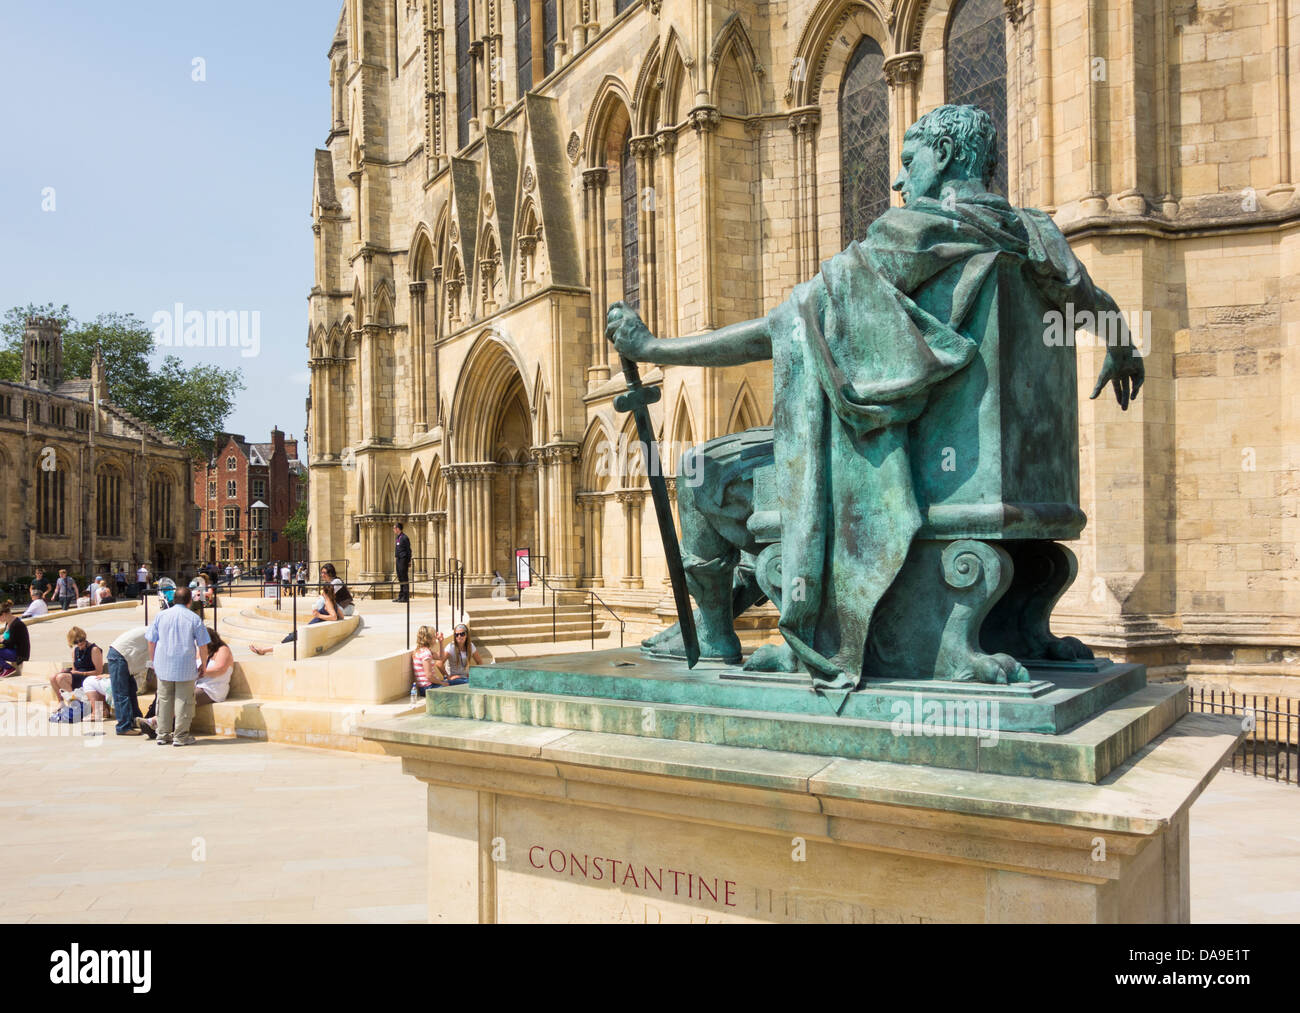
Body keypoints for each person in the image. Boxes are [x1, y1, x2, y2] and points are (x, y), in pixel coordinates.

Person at [608, 104, 1145, 688]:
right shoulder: (1035, 234)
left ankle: (714, 633)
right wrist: (1122, 347)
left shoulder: (913, 231)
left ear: (941, 157)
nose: (898, 180)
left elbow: (784, 326)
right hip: (997, 476)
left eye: (909, 161)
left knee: (698, 471)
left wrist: (657, 347)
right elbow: (1090, 299)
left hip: (896, 455)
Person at [146, 586, 210, 746]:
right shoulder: (194, 618)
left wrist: (153, 661)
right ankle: (180, 736)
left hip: (163, 664)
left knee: (164, 699)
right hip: (185, 666)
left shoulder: (161, 616)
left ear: (174, 600)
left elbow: (151, 640)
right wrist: (203, 664)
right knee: (184, 700)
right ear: (190, 601)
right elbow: (203, 645)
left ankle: (162, 734)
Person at [250, 582, 341, 654]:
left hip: (311, 627)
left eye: (321, 591)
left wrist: (319, 615)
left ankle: (263, 650)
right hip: (312, 627)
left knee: (289, 640)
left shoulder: (328, 602)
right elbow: (341, 616)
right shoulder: (334, 602)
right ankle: (263, 649)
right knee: (290, 638)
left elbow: (334, 617)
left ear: (324, 592)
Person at [100, 625, 150, 736]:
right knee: (121, 693)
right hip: (120, 655)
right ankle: (123, 727)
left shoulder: (155, 629)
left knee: (131, 690)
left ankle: (134, 721)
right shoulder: (156, 631)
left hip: (124, 657)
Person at [50, 627, 103, 706]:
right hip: (78, 675)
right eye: (75, 642)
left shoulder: (94, 649)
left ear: (84, 637)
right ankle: (61, 703)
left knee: (61, 678)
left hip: (88, 676)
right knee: (53, 677)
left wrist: (82, 673)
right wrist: (67, 671)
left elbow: (99, 671)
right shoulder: (75, 651)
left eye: (81, 640)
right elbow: (74, 669)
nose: (79, 643)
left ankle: (75, 705)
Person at [410, 626, 447, 695]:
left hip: (428, 686)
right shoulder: (425, 653)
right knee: (453, 689)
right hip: (428, 687)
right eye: (434, 636)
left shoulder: (421, 651)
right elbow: (429, 676)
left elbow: (441, 657)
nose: (436, 638)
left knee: (457, 682)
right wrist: (442, 683)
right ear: (429, 639)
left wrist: (441, 642)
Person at [0, 602, 31, 678]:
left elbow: (11, 643)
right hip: (12, 650)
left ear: (3, 614)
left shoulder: (17, 625)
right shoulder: (9, 623)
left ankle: (8, 668)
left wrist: (2, 641)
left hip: (19, 654)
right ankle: (2, 668)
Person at [393, 523, 412, 602]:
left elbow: (408, 550)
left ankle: (405, 597)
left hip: (403, 560)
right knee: (400, 578)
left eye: (394, 528)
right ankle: (401, 596)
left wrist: (409, 561)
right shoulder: (398, 537)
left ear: (398, 528)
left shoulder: (404, 537)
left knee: (404, 578)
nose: (393, 530)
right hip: (398, 559)